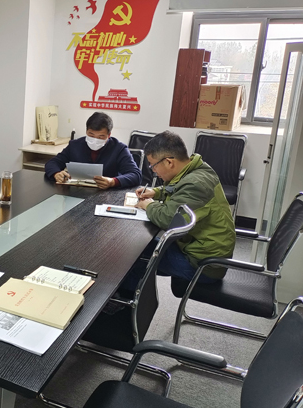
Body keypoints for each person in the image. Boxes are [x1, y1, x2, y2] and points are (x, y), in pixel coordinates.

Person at [121, 131, 235, 291]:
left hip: (202, 265)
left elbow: (168, 219)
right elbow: (178, 190)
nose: (153, 171)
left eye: (153, 165)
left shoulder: (195, 183)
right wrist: (156, 192)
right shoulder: (196, 169)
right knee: (138, 246)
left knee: (130, 256)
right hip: (196, 249)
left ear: (169, 162)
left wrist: (149, 205)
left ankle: (127, 301)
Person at [44, 112, 141, 189]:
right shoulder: (75, 145)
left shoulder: (119, 149)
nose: (95, 140)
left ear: (109, 135)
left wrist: (113, 182)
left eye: (101, 136)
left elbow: (136, 175)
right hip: (77, 191)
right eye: (91, 135)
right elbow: (53, 162)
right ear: (86, 131)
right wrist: (56, 173)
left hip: (106, 194)